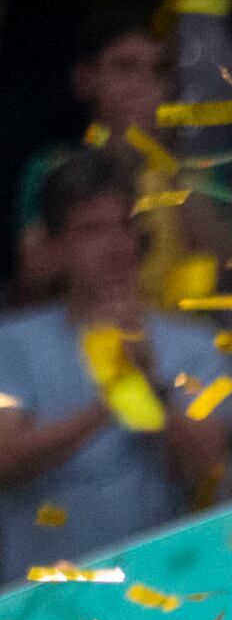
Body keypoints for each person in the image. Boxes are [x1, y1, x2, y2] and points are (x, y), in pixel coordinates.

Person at [0, 146, 220, 569]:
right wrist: (116, 395)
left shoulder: (192, 342)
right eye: (92, 230)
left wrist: (150, 391)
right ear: (57, 248)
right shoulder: (13, 343)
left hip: (153, 594)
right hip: (40, 606)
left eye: (124, 226)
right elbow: (6, 459)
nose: (116, 245)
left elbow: (207, 467)